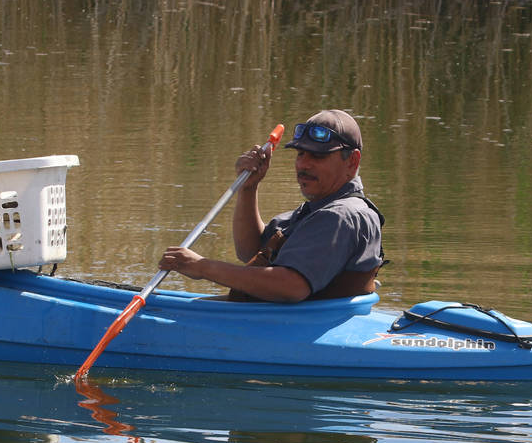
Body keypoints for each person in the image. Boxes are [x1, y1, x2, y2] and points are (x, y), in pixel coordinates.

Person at [158, 109, 385, 302]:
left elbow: (291, 286)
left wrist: (202, 267)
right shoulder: (318, 209)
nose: (303, 164)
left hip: (300, 333)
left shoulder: (341, 215)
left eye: (318, 156)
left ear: (352, 161)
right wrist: (248, 188)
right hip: (277, 324)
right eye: (301, 153)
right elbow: (251, 252)